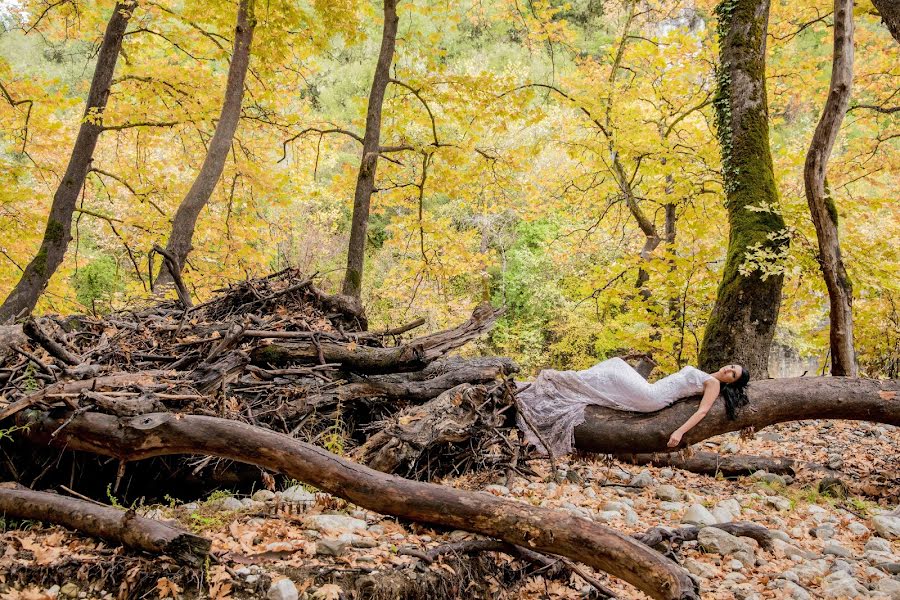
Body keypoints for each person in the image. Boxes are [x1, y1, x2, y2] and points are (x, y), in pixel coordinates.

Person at [515, 357, 750, 456]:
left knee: (614, 368)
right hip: (650, 390)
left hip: (651, 396)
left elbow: (702, 411)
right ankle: (560, 383)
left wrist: (679, 431)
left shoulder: (713, 384)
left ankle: (559, 381)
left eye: (733, 374)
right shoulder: (707, 376)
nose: (728, 371)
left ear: (732, 381)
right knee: (613, 367)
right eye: (731, 367)